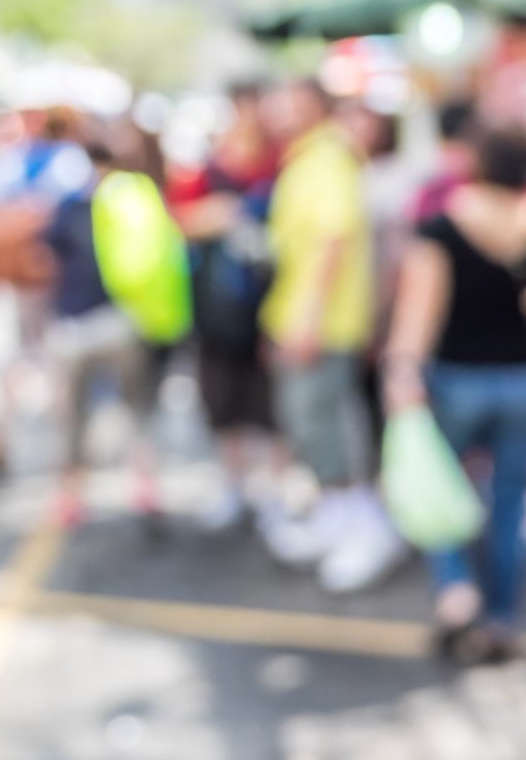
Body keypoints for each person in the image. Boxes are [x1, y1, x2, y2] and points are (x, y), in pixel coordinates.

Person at [383, 124, 526, 663]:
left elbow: (419, 309)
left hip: (456, 381)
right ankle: (502, 622)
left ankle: (456, 590)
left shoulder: (443, 227)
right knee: (511, 504)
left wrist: (401, 370)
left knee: (436, 488)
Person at [259, 77, 404, 593]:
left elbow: (333, 238)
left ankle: (362, 531)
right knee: (310, 429)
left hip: (322, 326)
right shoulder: (309, 158)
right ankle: (335, 525)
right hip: (304, 320)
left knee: (329, 429)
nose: (277, 111)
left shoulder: (326, 159)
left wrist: (309, 319)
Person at [171, 80, 280, 532]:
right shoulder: (207, 168)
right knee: (223, 401)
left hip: (268, 306)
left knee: (268, 406)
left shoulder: (281, 164)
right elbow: (177, 221)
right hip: (217, 308)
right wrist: (214, 215)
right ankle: (235, 486)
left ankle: (272, 493)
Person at [47, 141, 161, 529]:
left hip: (82, 325)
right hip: (120, 322)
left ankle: (75, 495)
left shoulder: (75, 207)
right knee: (132, 409)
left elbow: (48, 254)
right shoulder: (137, 201)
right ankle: (141, 486)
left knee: (79, 416)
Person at [0, 107, 93, 480]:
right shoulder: (67, 162)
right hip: (53, 271)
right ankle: (66, 452)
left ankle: (6, 437)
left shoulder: (10, 162)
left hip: (29, 273)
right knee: (55, 357)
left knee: (24, 355)